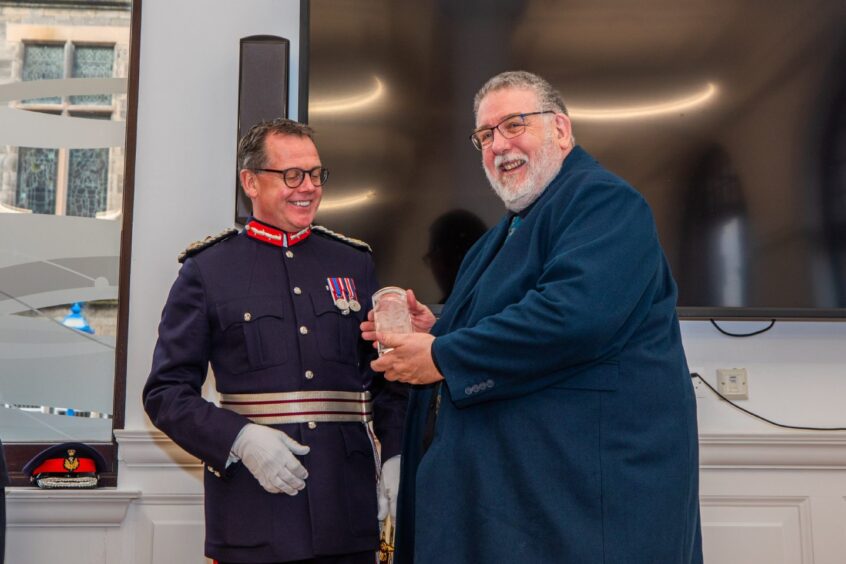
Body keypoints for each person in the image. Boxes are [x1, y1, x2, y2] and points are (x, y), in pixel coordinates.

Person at [361, 71, 703, 563]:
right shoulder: (499, 236)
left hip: (584, 505)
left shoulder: (603, 201)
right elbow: (508, 323)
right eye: (485, 135)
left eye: (514, 124)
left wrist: (442, 355)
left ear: (561, 131)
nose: (499, 144)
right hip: (521, 503)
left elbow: (573, 316)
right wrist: (435, 331)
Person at [144, 118, 407, 564]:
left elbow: (384, 378)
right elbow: (165, 394)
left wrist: (397, 456)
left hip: (348, 511)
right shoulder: (208, 270)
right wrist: (240, 438)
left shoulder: (353, 262)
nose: (307, 187)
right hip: (254, 512)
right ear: (250, 181)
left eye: (315, 174)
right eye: (291, 175)